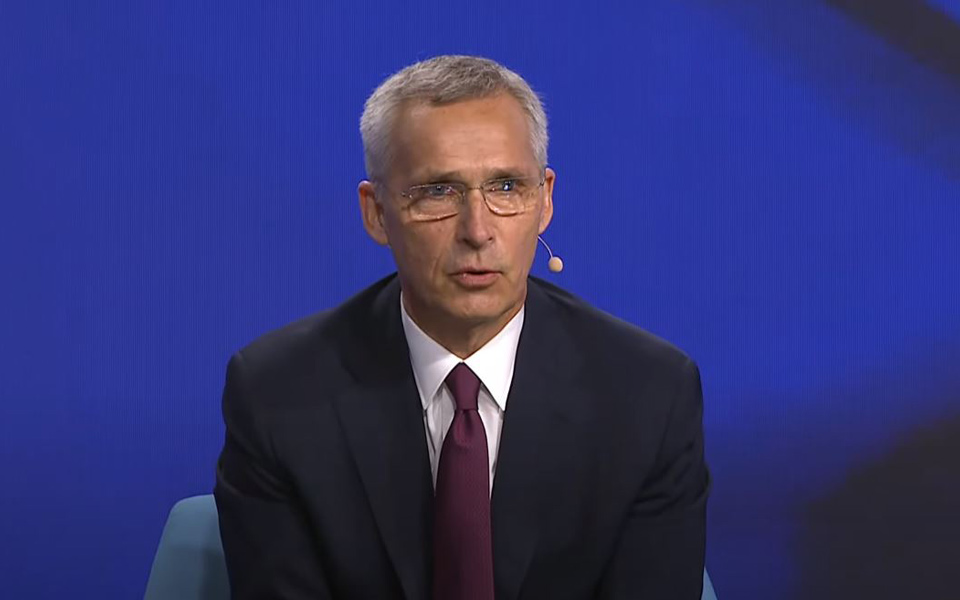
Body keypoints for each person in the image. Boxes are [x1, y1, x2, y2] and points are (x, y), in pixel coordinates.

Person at [214, 54, 710, 600]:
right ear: (376, 212)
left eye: (505, 187)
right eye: (438, 191)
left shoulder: (647, 396)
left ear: (545, 200)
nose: (477, 230)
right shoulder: (277, 395)